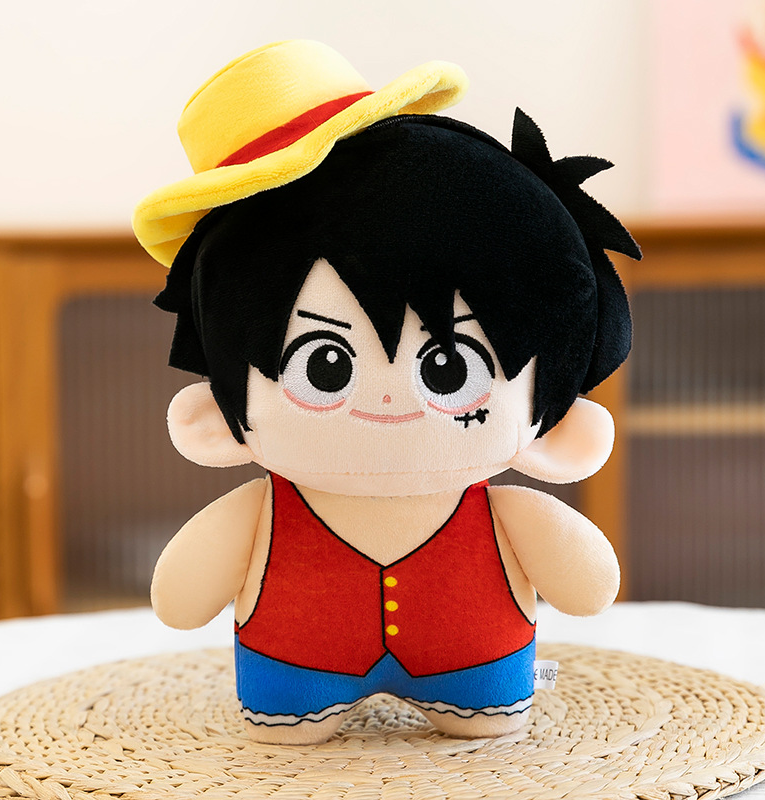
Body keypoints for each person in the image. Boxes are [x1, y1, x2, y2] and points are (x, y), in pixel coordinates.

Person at [134, 41, 640, 744]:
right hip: (294, 667)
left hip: (475, 665)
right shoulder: (258, 510)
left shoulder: (507, 511)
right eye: (324, 365)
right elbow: (180, 599)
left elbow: (588, 586)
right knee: (286, 715)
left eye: (448, 367)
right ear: (213, 418)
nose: (389, 403)